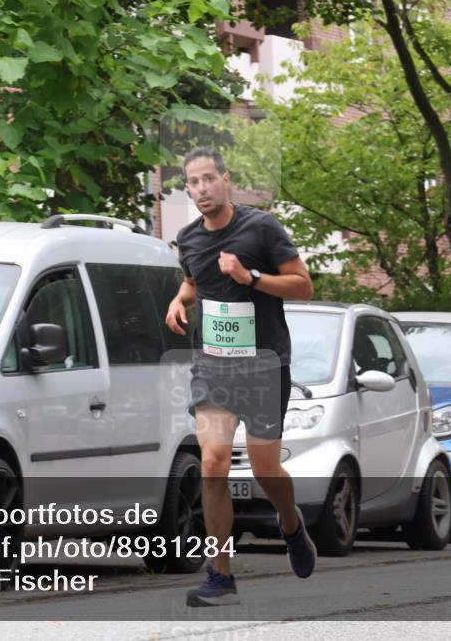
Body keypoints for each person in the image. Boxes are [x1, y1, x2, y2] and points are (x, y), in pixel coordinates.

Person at [166, 147, 317, 607]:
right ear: (188, 189)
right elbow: (194, 281)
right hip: (213, 368)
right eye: (193, 182)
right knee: (212, 462)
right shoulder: (188, 238)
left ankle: (291, 524)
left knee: (265, 469)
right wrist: (179, 301)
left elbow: (303, 285)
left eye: (209, 178)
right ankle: (222, 576)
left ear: (225, 180)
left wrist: (251, 276)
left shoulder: (261, 228)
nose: (202, 188)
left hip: (264, 367)